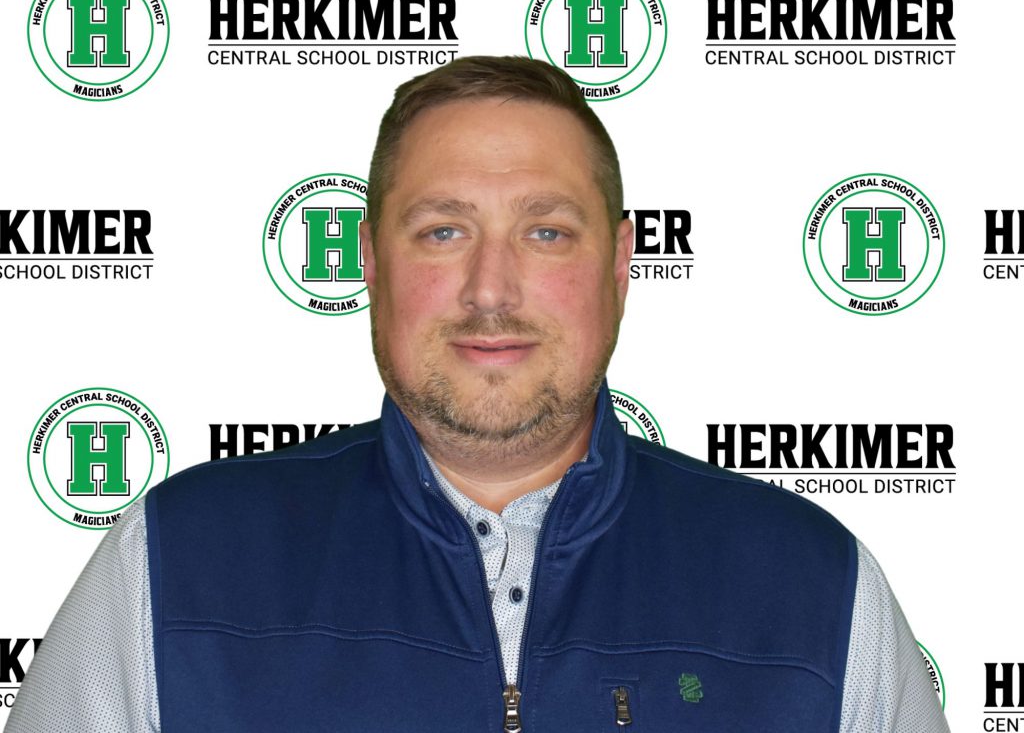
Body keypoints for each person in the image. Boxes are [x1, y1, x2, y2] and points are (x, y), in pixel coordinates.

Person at [6, 56, 949, 733]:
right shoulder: (175, 568)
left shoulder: (812, 589)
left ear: (621, 264)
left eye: (545, 233)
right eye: (443, 231)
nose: (491, 289)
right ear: (370, 261)